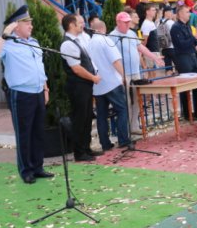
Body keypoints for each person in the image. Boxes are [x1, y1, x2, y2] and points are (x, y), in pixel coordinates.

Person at [0, 6, 53, 184]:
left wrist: (45, 88)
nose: (31, 25)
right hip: (21, 94)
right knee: (24, 133)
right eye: (27, 22)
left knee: (38, 132)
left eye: (30, 22)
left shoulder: (34, 42)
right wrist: (4, 34)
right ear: (16, 26)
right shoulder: (7, 44)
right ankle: (26, 170)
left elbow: (40, 67)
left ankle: (38, 167)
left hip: (38, 91)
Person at [110, 12, 164, 132]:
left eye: (129, 21)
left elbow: (141, 48)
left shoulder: (131, 33)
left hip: (135, 72)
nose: (128, 24)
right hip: (122, 73)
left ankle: (134, 126)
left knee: (137, 100)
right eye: (125, 22)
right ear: (118, 22)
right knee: (126, 102)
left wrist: (154, 57)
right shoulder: (112, 36)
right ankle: (125, 129)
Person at [60, 14, 101, 162]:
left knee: (87, 117)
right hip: (78, 87)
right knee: (79, 119)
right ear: (71, 25)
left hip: (85, 86)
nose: (82, 25)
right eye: (79, 23)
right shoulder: (67, 44)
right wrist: (93, 77)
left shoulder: (77, 40)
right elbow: (76, 68)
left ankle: (86, 148)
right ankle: (79, 152)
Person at [88, 29, 135, 151]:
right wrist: (123, 76)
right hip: (111, 82)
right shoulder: (105, 40)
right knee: (122, 110)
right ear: (102, 29)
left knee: (101, 115)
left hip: (98, 84)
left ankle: (105, 143)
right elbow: (115, 60)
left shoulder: (88, 43)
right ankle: (123, 139)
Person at [170, 5, 197, 119]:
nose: (189, 14)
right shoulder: (175, 27)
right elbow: (181, 45)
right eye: (187, 12)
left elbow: (192, 43)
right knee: (185, 87)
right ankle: (187, 113)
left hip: (192, 57)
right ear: (180, 13)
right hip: (183, 58)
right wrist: (194, 38)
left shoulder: (188, 26)